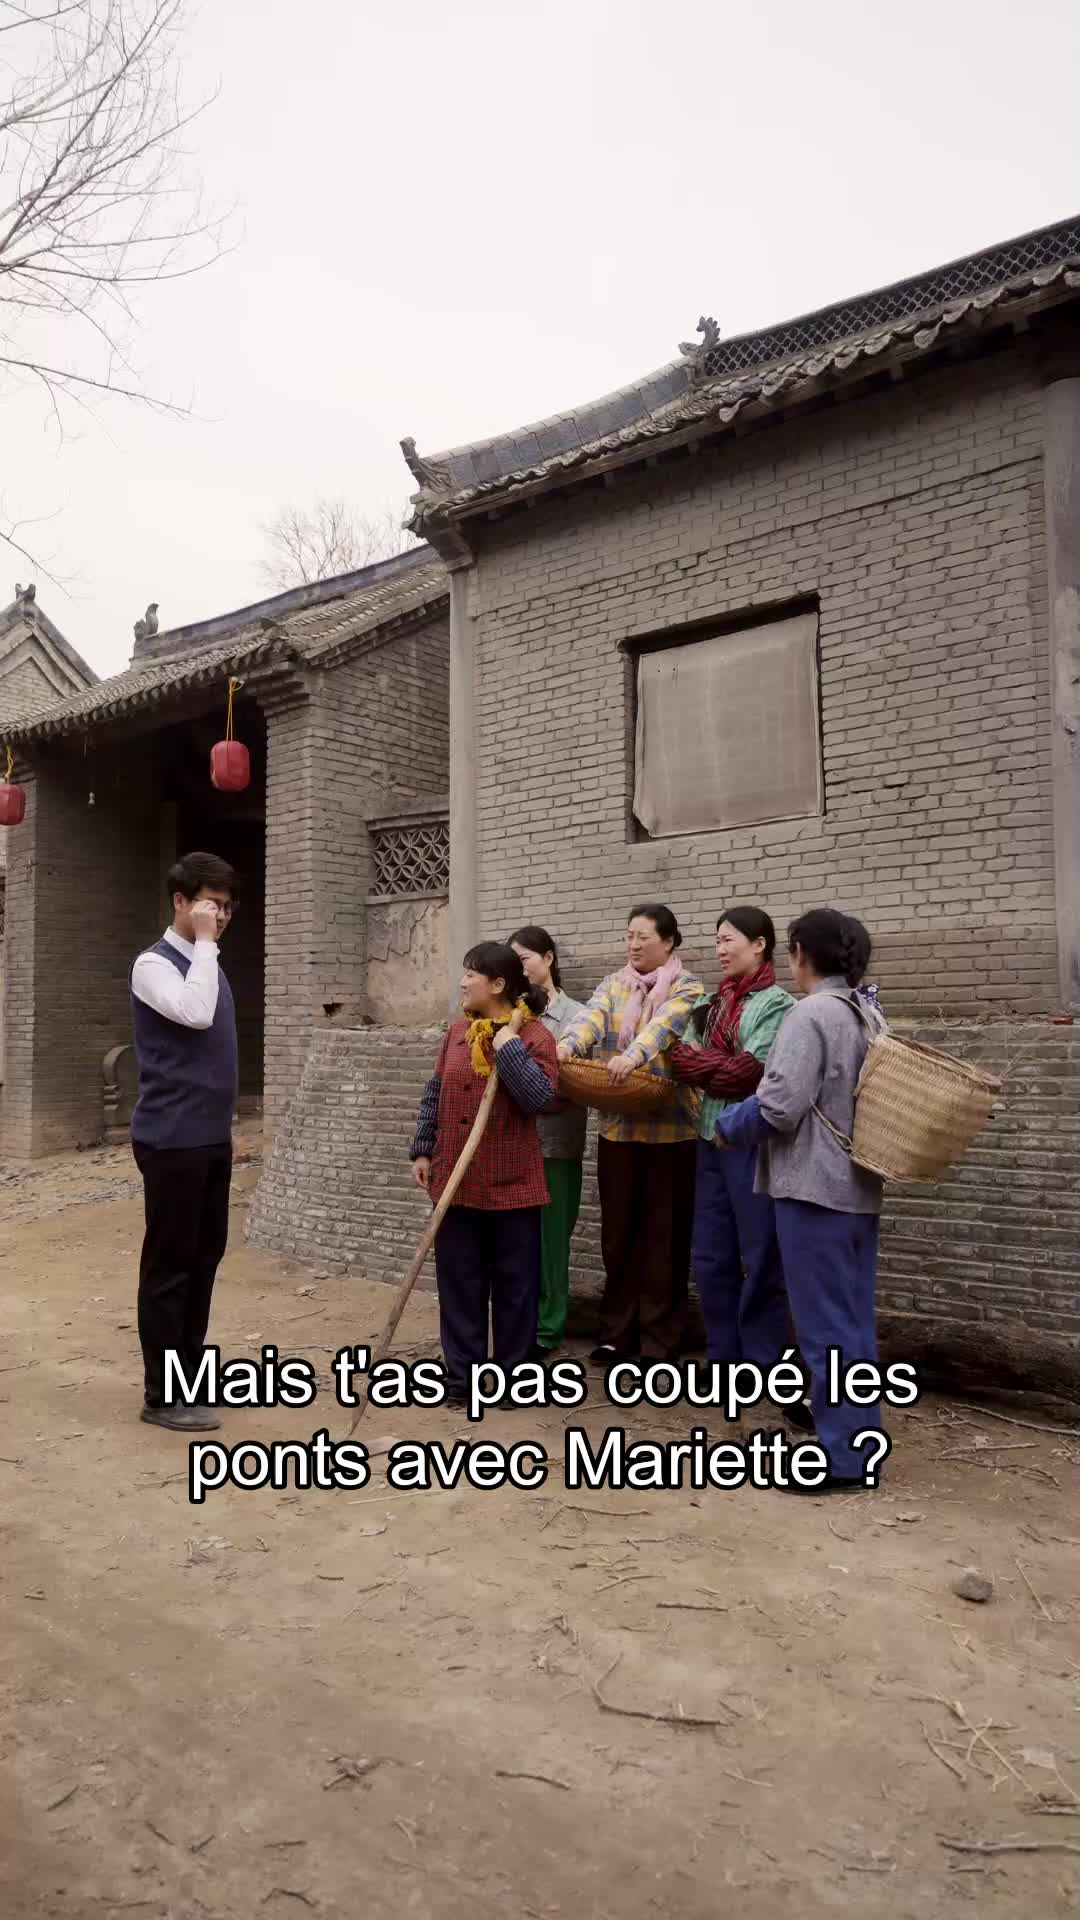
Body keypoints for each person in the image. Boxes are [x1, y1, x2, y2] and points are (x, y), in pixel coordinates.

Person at [716, 909, 885, 1492]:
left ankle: (843, 1459)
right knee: (852, 1321)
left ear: (798, 954)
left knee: (823, 1326)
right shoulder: (865, 1011)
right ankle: (859, 1437)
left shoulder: (809, 1014)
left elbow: (780, 1105)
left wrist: (730, 1126)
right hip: (858, 1188)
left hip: (814, 1188)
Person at [410, 943, 558, 1402]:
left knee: (515, 1288)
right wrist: (423, 1149)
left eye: (471, 974)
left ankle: (516, 1380)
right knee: (459, 1284)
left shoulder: (534, 1037)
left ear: (497, 985)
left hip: (513, 1184)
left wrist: (508, 1046)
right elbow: (435, 1091)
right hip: (456, 1179)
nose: (463, 982)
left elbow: (539, 1098)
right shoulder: (458, 1033)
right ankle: (462, 1379)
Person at [557, 905, 703, 1365]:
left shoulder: (688, 987)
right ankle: (616, 1335)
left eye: (643, 936)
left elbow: (666, 1026)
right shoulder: (613, 983)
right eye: (629, 936)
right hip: (619, 1130)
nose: (634, 944)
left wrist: (633, 1056)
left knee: (665, 1239)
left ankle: (660, 1340)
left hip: (672, 1134)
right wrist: (567, 1044)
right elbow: (592, 1017)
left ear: (669, 942)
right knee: (618, 1236)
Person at [129, 851, 240, 1432]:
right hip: (171, 1138)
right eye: (209, 904)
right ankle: (161, 1394)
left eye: (225, 907)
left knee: (203, 1259)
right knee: (171, 1265)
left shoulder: (206, 962)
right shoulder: (154, 964)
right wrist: (205, 943)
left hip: (209, 1139)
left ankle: (188, 1377)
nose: (219, 917)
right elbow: (194, 1015)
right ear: (180, 901)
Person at [669, 907, 794, 1379]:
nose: (720, 949)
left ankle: (762, 1359)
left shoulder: (778, 1005)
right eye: (717, 940)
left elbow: (751, 1072)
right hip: (708, 1138)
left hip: (752, 1143)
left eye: (729, 940)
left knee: (760, 1253)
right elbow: (680, 1059)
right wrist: (719, 1067)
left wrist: (713, 1066)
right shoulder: (711, 1003)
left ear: (759, 944)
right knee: (710, 1252)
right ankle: (722, 1355)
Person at [509, 926, 586, 1359]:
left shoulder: (578, 1017)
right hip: (513, 1146)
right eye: (514, 962)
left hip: (557, 1146)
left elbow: (574, 1085)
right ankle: (519, 1321)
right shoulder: (511, 1016)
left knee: (553, 1241)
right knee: (517, 1242)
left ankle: (548, 1329)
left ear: (549, 958)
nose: (520, 968)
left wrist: (531, 1092)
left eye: (525, 958)